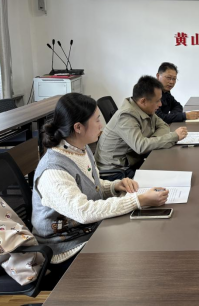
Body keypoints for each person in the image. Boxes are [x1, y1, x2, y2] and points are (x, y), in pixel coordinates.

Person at [31, 93, 169, 282]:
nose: (101, 125)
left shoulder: (80, 148)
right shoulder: (53, 172)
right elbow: (83, 211)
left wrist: (115, 186)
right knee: (133, 258)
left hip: (88, 230)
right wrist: (138, 200)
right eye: (96, 120)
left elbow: (91, 185)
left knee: (142, 237)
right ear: (78, 127)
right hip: (65, 247)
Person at [95, 76, 187, 179]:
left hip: (132, 161)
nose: (160, 104)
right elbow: (141, 146)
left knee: (168, 168)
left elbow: (163, 125)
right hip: (116, 172)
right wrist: (174, 136)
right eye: (157, 101)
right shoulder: (126, 116)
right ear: (143, 101)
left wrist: (151, 141)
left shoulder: (145, 108)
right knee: (164, 178)